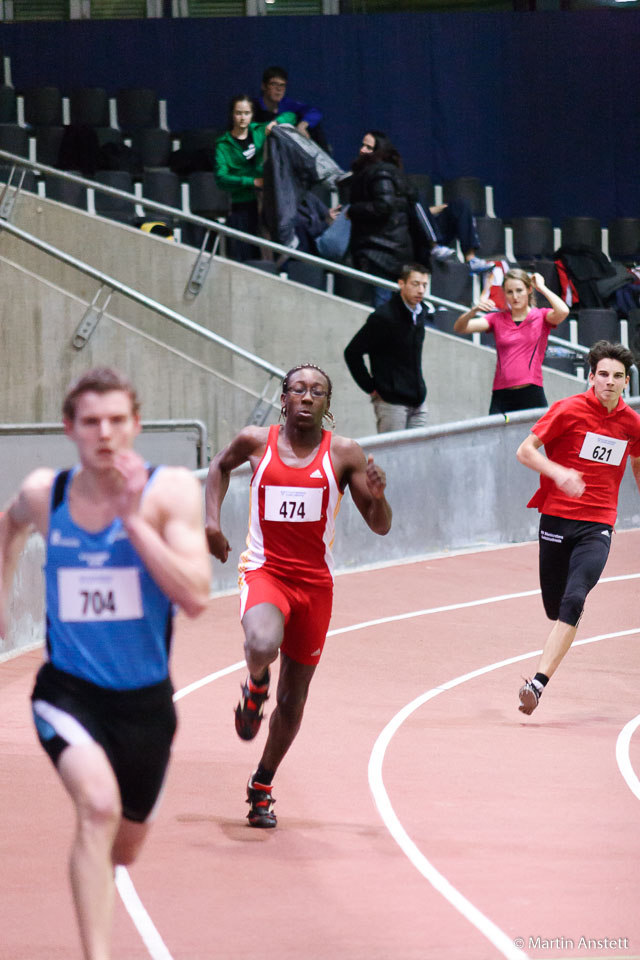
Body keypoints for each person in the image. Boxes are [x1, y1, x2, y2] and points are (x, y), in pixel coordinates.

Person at [0, 368, 211, 960]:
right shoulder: (50, 494)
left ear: (137, 425)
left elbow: (195, 597)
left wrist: (132, 522)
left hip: (145, 706)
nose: (105, 434)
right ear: (69, 428)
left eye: (118, 420)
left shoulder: (169, 493)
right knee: (96, 807)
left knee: (124, 847)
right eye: (91, 422)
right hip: (68, 693)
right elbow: (9, 525)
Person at [205, 363, 391, 828]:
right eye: (298, 390)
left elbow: (381, 525)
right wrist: (211, 522)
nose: (307, 398)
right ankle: (255, 682)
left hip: (314, 585)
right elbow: (218, 467)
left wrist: (379, 496)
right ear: (283, 398)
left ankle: (262, 783)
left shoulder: (345, 454)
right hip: (265, 571)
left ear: (328, 405)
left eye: (317, 392)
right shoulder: (255, 441)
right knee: (263, 644)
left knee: (294, 701)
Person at [515, 341, 640, 715]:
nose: (610, 382)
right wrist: (559, 473)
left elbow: (637, 461)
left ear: (625, 382)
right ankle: (565, 619)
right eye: (603, 374)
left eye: (618, 376)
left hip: (598, 524)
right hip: (555, 519)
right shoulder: (567, 410)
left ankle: (537, 684)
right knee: (555, 606)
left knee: (575, 598)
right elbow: (525, 451)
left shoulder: (632, 423)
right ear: (591, 377)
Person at [453, 268, 569, 415]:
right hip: (502, 394)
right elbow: (460, 328)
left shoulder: (541, 316)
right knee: (493, 437)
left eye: (519, 290)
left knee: (535, 437)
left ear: (528, 290)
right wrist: (473, 311)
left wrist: (542, 287)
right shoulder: (496, 318)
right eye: (509, 292)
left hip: (531, 392)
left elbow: (563, 311)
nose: (515, 296)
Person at [344, 263, 430, 433]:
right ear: (401, 284)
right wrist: (371, 387)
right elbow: (352, 352)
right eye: (415, 284)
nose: (420, 290)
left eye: (424, 285)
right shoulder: (383, 317)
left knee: (419, 456)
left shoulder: (420, 313)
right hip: (392, 402)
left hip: (418, 400)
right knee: (392, 456)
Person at [215, 94, 295, 261]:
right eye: (238, 113)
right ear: (232, 114)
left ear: (252, 114)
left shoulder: (259, 131)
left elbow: (291, 116)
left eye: (246, 113)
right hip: (242, 205)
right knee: (244, 255)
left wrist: (275, 123)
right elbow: (221, 178)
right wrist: (251, 181)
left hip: (267, 203)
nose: (242, 118)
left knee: (271, 251)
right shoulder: (223, 144)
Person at [346, 130, 415, 307]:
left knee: (383, 309)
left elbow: (384, 205)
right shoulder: (381, 172)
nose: (362, 150)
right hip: (386, 248)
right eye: (362, 145)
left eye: (369, 147)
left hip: (382, 250)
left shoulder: (380, 172)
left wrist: (354, 210)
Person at [253, 65, 328, 152]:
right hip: (259, 149)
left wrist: (302, 126)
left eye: (282, 85)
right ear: (263, 86)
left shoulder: (288, 104)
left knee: (314, 128)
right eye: (274, 84)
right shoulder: (253, 106)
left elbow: (315, 112)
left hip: (283, 151)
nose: (279, 89)